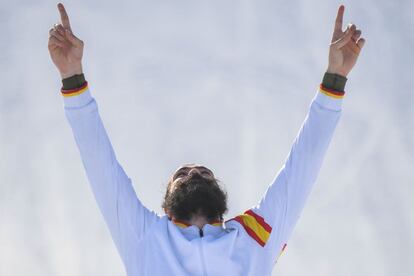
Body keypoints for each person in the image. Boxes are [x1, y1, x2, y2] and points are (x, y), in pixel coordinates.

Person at [48, 2, 365, 275]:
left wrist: (335, 78)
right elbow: (100, 166)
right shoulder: (146, 237)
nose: (194, 171)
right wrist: (71, 76)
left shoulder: (254, 238)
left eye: (199, 172)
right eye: (184, 174)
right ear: (167, 212)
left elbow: (301, 169)